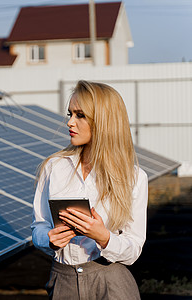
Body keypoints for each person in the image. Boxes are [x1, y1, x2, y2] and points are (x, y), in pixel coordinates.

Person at [31, 80, 148, 299]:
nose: (70, 123)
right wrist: (48, 238)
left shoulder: (134, 178)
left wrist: (103, 237)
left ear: (104, 121)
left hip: (111, 282)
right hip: (63, 280)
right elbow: (38, 226)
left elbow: (133, 250)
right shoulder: (54, 167)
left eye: (80, 115)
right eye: (70, 114)